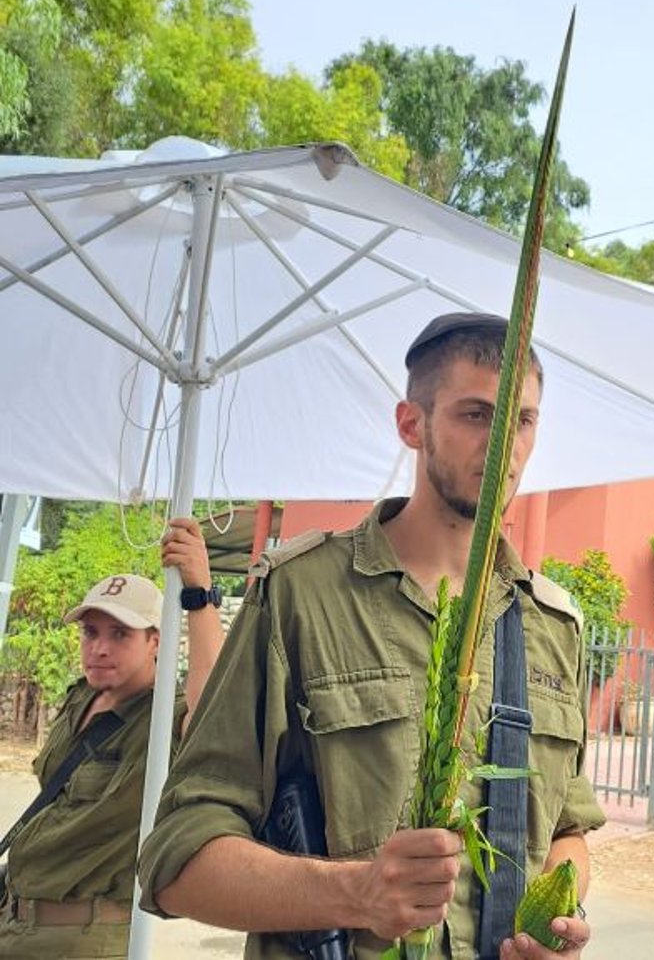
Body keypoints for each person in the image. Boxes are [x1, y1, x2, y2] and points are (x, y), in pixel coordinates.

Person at [138, 313, 606, 960]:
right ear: (411, 424)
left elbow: (567, 831)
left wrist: (557, 915)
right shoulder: (301, 595)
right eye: (477, 415)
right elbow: (175, 859)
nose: (506, 447)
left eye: (522, 421)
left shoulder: (553, 626)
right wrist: (353, 892)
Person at [0, 515, 224, 959]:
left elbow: (214, 707)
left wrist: (200, 597)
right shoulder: (82, 697)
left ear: (155, 641)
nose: (99, 647)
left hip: (79, 942)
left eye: (120, 634)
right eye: (91, 632)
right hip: (14, 923)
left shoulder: (163, 718)